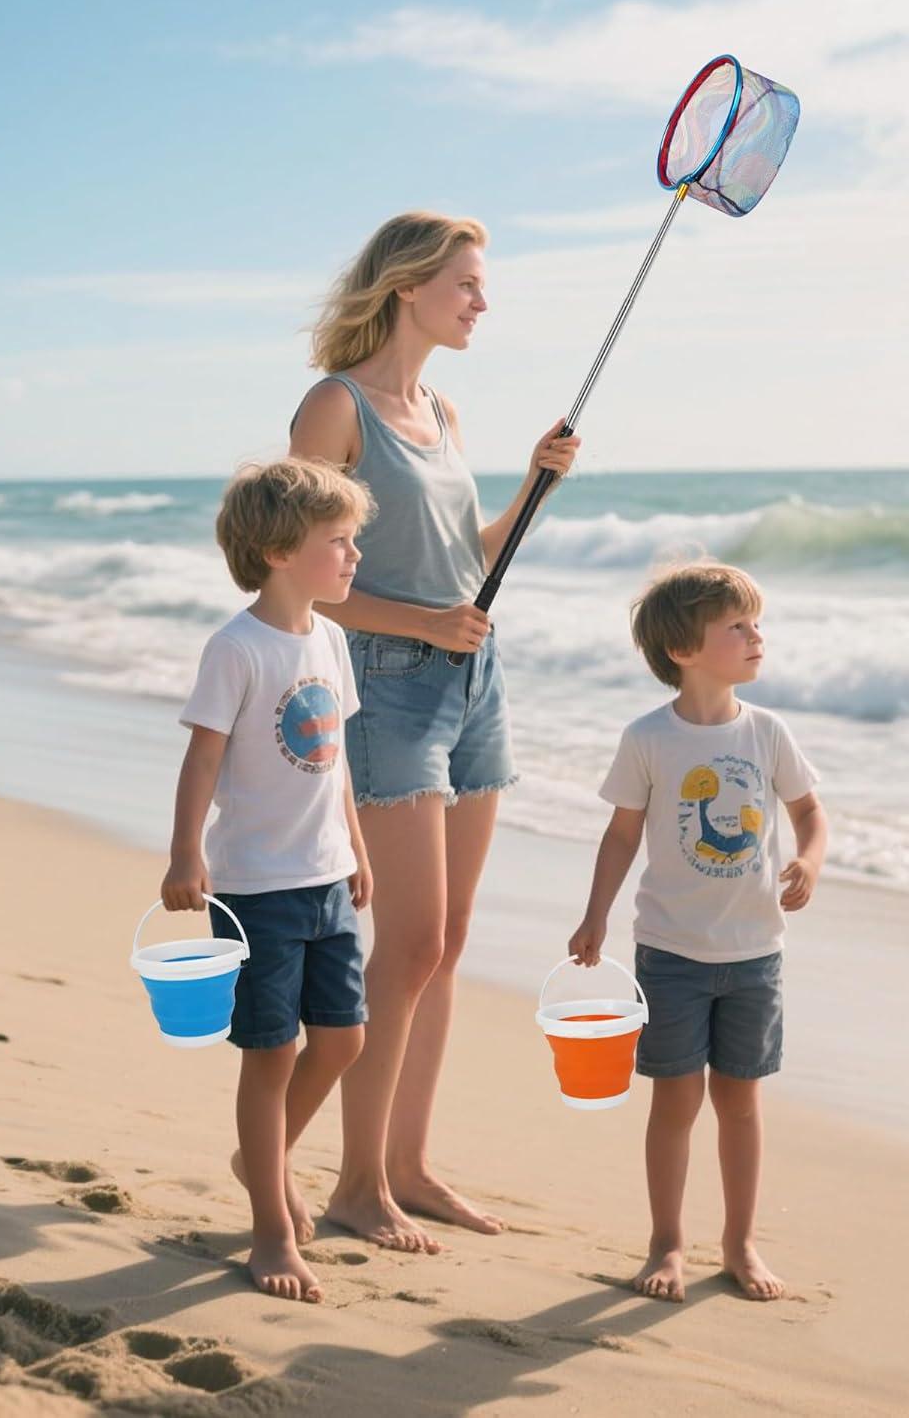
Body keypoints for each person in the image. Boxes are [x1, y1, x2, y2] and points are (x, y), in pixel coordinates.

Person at [290, 210, 579, 1252]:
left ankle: (407, 1168)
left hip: (476, 683)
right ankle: (353, 1185)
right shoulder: (336, 409)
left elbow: (470, 553)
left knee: (446, 945)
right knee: (404, 943)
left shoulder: (444, 413)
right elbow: (300, 582)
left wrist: (534, 488)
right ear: (408, 285)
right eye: (466, 282)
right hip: (388, 685)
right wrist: (419, 624)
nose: (481, 300)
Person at [568, 561, 828, 1302]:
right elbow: (621, 836)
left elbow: (810, 812)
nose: (756, 636)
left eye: (756, 623)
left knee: (740, 1102)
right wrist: (596, 914)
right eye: (737, 627)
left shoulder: (768, 732)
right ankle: (667, 1242)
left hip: (755, 955)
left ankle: (740, 1242)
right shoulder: (649, 738)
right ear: (684, 650)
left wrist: (808, 859)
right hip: (672, 953)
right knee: (675, 1103)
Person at [161, 457, 375, 1303]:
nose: (354, 555)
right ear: (281, 552)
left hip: (325, 876)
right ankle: (271, 1230)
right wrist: (186, 854)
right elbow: (202, 754)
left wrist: (356, 847)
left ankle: (263, 1158)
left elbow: (338, 762)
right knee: (271, 1053)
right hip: (254, 887)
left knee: (345, 1038)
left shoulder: (332, 639)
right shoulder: (236, 648)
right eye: (339, 541)